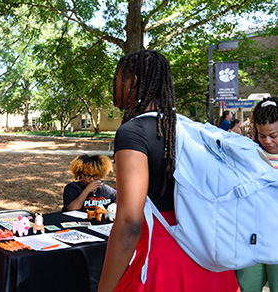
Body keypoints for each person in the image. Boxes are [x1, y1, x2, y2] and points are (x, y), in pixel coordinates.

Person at [97, 50, 239, 291]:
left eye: (118, 78)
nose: (114, 86)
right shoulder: (188, 128)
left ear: (135, 82)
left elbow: (130, 222)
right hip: (210, 261)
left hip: (163, 262)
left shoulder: (133, 132)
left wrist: (105, 288)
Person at [236, 96, 278, 291]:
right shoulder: (249, 154)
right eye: (262, 135)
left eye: (274, 135)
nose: (267, 141)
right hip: (251, 236)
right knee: (248, 286)